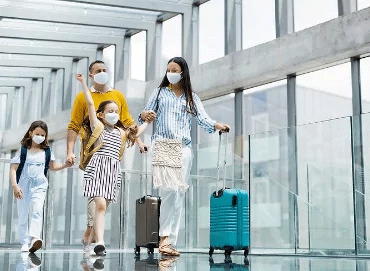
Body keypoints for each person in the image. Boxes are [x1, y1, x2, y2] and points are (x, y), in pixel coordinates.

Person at [139, 57, 230, 256]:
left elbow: (202, 118)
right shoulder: (159, 93)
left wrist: (217, 126)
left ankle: (170, 241)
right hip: (163, 144)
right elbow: (143, 115)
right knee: (169, 190)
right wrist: (145, 115)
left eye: (175, 69)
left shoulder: (191, 97)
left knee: (178, 194)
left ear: (183, 73)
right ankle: (163, 238)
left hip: (184, 148)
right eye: (168, 69)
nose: (170, 72)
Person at [66, 60, 148, 249]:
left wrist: (140, 142)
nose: (103, 72)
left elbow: (128, 123)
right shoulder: (83, 99)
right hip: (93, 149)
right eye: (98, 71)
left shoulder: (117, 95)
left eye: (105, 69)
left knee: (104, 202)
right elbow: (74, 124)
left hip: (113, 156)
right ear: (91, 75)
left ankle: (92, 232)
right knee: (97, 199)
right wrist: (70, 151)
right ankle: (93, 233)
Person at [10, 121, 70, 253]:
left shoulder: (47, 151)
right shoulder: (23, 150)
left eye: (43, 135)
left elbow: (53, 167)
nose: (40, 137)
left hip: (40, 185)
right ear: (31, 133)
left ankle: (34, 238)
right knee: (23, 213)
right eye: (37, 134)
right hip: (23, 185)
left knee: (37, 210)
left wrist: (65, 165)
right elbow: (13, 169)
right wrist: (15, 186)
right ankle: (24, 242)